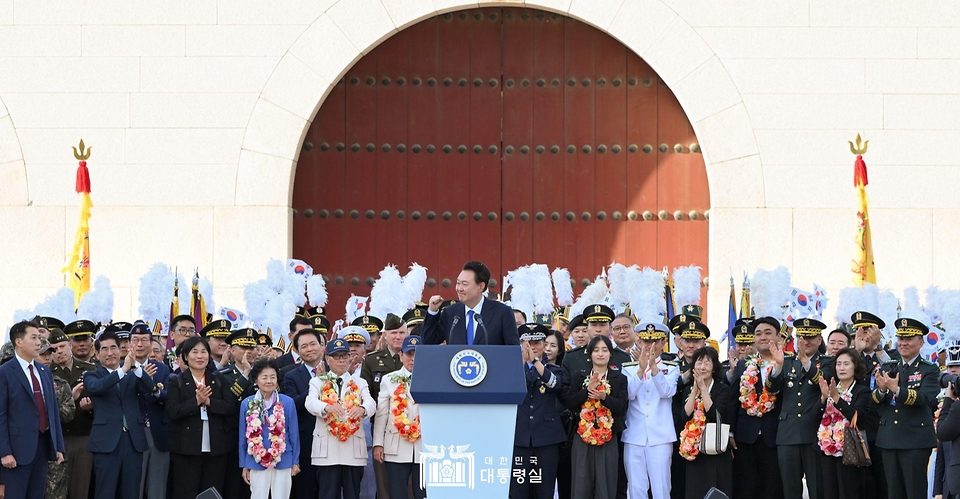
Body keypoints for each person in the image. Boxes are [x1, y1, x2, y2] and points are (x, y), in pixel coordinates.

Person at [83, 330, 156, 499]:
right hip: (106, 443)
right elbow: (97, 388)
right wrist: (123, 370)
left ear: (120, 349)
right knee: (105, 492)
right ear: (97, 354)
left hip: (133, 441)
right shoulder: (92, 375)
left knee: (131, 492)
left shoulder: (132, 375)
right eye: (105, 349)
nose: (110, 353)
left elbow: (149, 387)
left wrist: (135, 366)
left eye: (113, 348)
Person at [872, 317, 939, 499]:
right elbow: (874, 400)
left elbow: (924, 398)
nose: (903, 343)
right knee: (893, 492)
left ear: (921, 342)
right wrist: (883, 390)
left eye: (909, 338)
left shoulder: (929, 369)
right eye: (901, 339)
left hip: (915, 440)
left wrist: (895, 389)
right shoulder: (889, 367)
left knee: (914, 491)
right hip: (889, 438)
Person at [0, 320, 65, 499]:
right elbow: (1, 415)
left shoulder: (44, 372)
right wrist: (4, 452)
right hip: (17, 451)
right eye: (34, 338)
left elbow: (52, 412)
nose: (39, 342)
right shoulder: (5, 373)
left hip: (42, 447)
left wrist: (58, 445)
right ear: (18, 342)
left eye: (39, 337)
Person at [166, 336, 236, 498]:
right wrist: (196, 401)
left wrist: (210, 402)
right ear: (185, 356)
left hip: (216, 449)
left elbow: (230, 407)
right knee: (186, 492)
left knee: (212, 492)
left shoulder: (218, 380)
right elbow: (172, 411)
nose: (200, 356)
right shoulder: (177, 382)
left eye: (203, 352)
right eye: (194, 352)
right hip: (186, 449)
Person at [306, 338, 376, 499]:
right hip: (327, 451)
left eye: (344, 356)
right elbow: (310, 402)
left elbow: (371, 403)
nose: (341, 360)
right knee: (328, 494)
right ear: (328, 359)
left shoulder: (360, 382)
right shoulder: (317, 381)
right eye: (336, 356)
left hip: (352, 450)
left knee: (353, 494)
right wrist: (326, 407)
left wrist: (363, 408)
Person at [562, 335, 628, 499]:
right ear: (589, 354)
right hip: (581, 434)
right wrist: (586, 391)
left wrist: (604, 397)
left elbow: (622, 407)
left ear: (610, 354)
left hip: (608, 436)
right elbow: (569, 402)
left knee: (606, 480)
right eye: (596, 350)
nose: (600, 354)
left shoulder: (619, 378)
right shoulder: (580, 376)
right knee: (582, 479)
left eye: (605, 350)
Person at [728, 316, 785, 499]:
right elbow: (733, 400)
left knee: (772, 487)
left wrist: (778, 367)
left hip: (774, 436)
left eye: (768, 333)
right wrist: (730, 433)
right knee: (746, 487)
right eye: (758, 333)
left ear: (778, 337)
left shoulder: (787, 364)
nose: (762, 337)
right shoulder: (744, 365)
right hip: (745, 436)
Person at [622, 322, 679, 499]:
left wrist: (653, 368)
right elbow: (629, 394)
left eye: (655, 341)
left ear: (663, 343)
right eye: (646, 341)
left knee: (661, 488)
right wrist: (641, 369)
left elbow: (667, 392)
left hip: (660, 437)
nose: (650, 346)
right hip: (634, 435)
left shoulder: (671, 367)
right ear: (639, 342)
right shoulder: (629, 368)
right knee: (636, 488)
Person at [771, 318, 827, 499]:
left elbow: (822, 382)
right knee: (790, 489)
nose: (806, 341)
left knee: (817, 488)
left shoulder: (827, 362)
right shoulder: (786, 361)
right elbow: (772, 389)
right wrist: (778, 367)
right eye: (802, 337)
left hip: (814, 434)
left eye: (811, 337)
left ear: (820, 339)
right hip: (788, 433)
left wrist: (805, 361)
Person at [511, 325, 565, 499]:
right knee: (518, 489)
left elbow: (554, 384)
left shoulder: (554, 369)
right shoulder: (514, 368)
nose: (532, 347)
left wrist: (535, 362)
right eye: (527, 343)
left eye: (536, 342)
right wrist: (522, 360)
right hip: (519, 438)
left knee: (544, 488)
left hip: (546, 438)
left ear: (544, 345)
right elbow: (507, 383)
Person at [361, 313, 408, 499]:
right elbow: (366, 394)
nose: (398, 336)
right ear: (385, 335)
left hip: (413, 428)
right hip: (384, 426)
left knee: (411, 483)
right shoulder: (372, 360)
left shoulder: (416, 358)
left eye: (402, 332)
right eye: (394, 332)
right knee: (385, 481)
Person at [851, 310, 896, 499]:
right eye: (859, 330)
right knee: (858, 485)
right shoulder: (852, 356)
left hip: (882, 430)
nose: (864, 335)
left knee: (883, 484)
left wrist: (878, 349)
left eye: (868, 330)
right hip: (856, 430)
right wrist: (857, 350)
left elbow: (895, 371)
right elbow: (842, 375)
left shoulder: (889, 355)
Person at [373, 336, 425, 499]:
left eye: (418, 353)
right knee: (397, 493)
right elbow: (381, 414)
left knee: (423, 493)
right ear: (401, 355)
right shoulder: (389, 380)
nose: (414, 358)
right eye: (409, 354)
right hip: (395, 445)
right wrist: (378, 444)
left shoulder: (432, 379)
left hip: (424, 447)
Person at [240, 358, 300, 499]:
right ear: (256, 380)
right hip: (256, 459)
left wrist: (295, 461)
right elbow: (242, 436)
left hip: (283, 458)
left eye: (273, 377)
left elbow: (294, 434)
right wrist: (244, 464)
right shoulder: (247, 403)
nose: (269, 381)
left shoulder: (287, 402)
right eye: (264, 377)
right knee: (258, 496)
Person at [422, 260, 520, 345]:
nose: (459, 288)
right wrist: (432, 312)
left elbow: (512, 350)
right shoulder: (450, 313)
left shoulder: (502, 313)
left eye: (464, 284)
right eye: (458, 283)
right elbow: (429, 342)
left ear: (481, 286)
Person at [817, 347, 870, 499]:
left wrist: (836, 399)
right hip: (828, 449)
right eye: (838, 364)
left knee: (849, 492)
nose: (841, 368)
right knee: (829, 492)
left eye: (846, 364)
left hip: (850, 450)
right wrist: (823, 398)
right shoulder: (831, 388)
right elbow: (815, 417)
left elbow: (856, 417)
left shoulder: (862, 391)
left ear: (855, 366)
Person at [680, 346, 732, 499]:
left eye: (707, 363)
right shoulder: (688, 389)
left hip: (715, 448)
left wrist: (703, 389)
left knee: (715, 488)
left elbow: (716, 414)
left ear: (714, 367)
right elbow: (685, 415)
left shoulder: (722, 389)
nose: (702, 367)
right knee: (695, 490)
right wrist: (695, 391)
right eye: (699, 362)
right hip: (695, 449)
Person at [54, 320, 98, 499]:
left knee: (81, 489)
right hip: (59, 439)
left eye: (62, 346)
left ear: (69, 345)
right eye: (54, 348)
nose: (59, 351)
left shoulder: (91, 370)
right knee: (56, 490)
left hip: (84, 436)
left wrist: (90, 409)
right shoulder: (46, 372)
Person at [281, 328, 327, 499]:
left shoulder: (336, 370)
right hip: (306, 441)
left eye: (313, 344)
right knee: (306, 490)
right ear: (297, 350)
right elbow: (293, 404)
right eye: (304, 346)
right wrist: (316, 384)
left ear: (322, 345)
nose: (309, 349)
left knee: (329, 490)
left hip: (334, 439)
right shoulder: (290, 375)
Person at [129, 320, 171, 499]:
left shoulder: (162, 369)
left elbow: (168, 397)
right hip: (132, 433)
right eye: (135, 339)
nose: (140, 344)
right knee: (133, 486)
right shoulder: (123, 368)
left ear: (151, 343)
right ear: (129, 343)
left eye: (144, 339)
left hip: (157, 432)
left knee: (157, 488)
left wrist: (155, 389)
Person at [37, 333, 74, 499]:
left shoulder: (59, 383)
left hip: (54, 451)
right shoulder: (22, 382)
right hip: (30, 451)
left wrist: (50, 411)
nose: (46, 358)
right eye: (42, 354)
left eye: (48, 354)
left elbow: (69, 412)